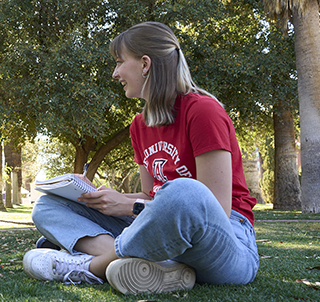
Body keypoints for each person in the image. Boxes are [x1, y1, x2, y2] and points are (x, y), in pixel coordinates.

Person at [23, 21, 259, 295]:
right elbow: (152, 194)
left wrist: (129, 206)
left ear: (145, 64)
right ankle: (156, 263)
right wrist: (106, 197)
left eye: (120, 62)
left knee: (185, 192)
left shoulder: (203, 111)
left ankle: (90, 267)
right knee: (47, 206)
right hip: (161, 232)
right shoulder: (139, 125)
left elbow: (214, 208)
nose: (115, 73)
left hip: (226, 239)